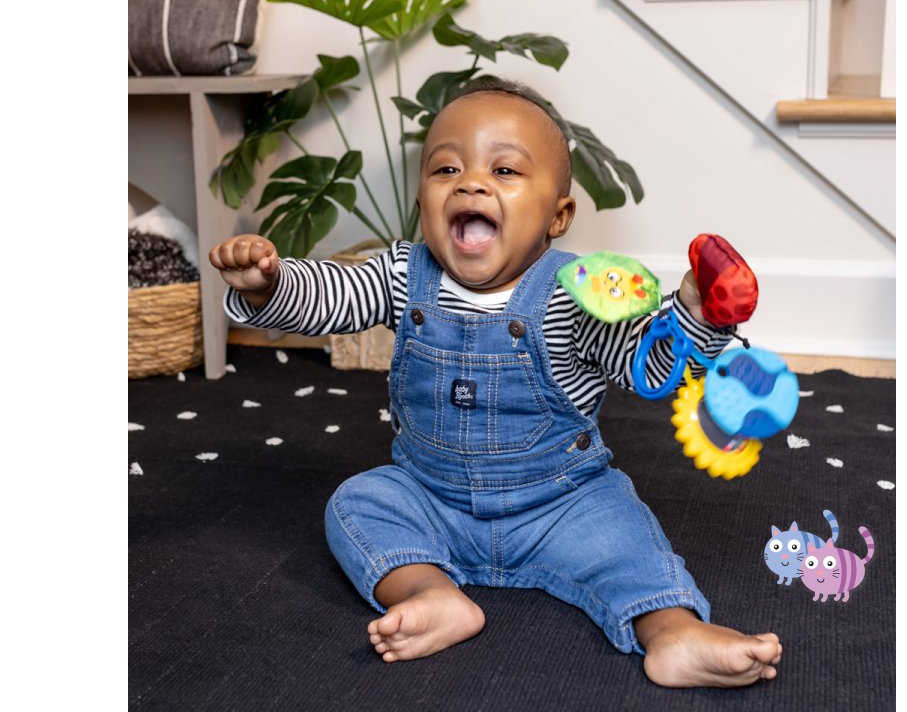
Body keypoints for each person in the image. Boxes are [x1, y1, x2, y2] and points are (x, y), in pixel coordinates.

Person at [209, 78, 782, 688]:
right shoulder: (403, 274)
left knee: (627, 539)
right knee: (359, 503)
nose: (471, 183)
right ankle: (430, 592)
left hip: (561, 503)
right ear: (423, 201)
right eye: (446, 168)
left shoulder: (575, 293)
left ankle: (672, 630)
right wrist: (270, 286)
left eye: (504, 170)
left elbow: (649, 364)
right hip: (431, 497)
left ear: (557, 216)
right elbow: (332, 293)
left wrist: (697, 316)